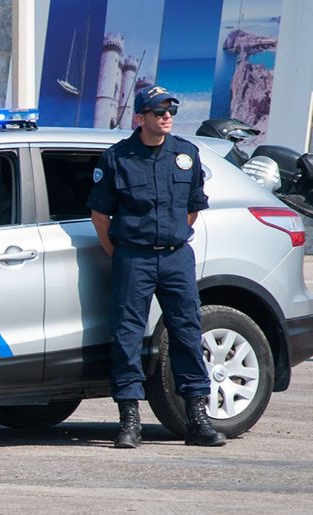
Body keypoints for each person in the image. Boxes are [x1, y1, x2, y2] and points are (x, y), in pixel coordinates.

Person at [86, 86, 226, 449]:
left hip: (177, 256)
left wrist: (173, 238)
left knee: (187, 333)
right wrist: (119, 255)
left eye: (170, 110)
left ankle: (196, 418)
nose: (166, 116)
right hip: (133, 256)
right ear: (140, 117)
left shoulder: (186, 154)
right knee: (127, 335)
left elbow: (192, 208)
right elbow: (100, 217)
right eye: (158, 111)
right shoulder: (118, 158)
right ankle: (130, 421)